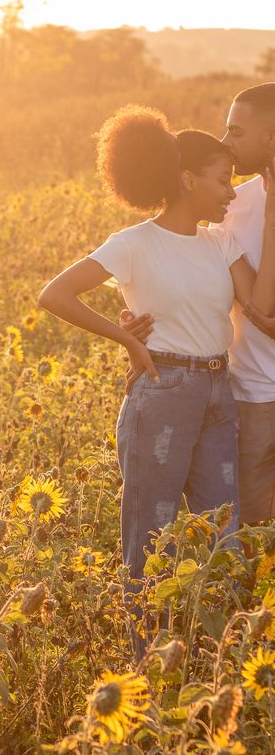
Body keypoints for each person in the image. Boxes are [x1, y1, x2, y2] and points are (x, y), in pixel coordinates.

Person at [37, 103, 275, 661]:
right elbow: (56, 295)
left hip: (219, 392)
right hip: (163, 393)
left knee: (226, 536)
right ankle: (146, 665)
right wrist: (128, 340)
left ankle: (219, 662)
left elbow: (262, 309)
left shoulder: (220, 242)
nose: (231, 194)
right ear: (188, 180)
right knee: (150, 536)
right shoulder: (133, 243)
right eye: (223, 181)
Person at [121, 83, 275, 529]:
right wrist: (138, 324)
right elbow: (182, 269)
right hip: (250, 395)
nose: (225, 142)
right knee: (246, 537)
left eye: (236, 131)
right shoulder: (229, 206)